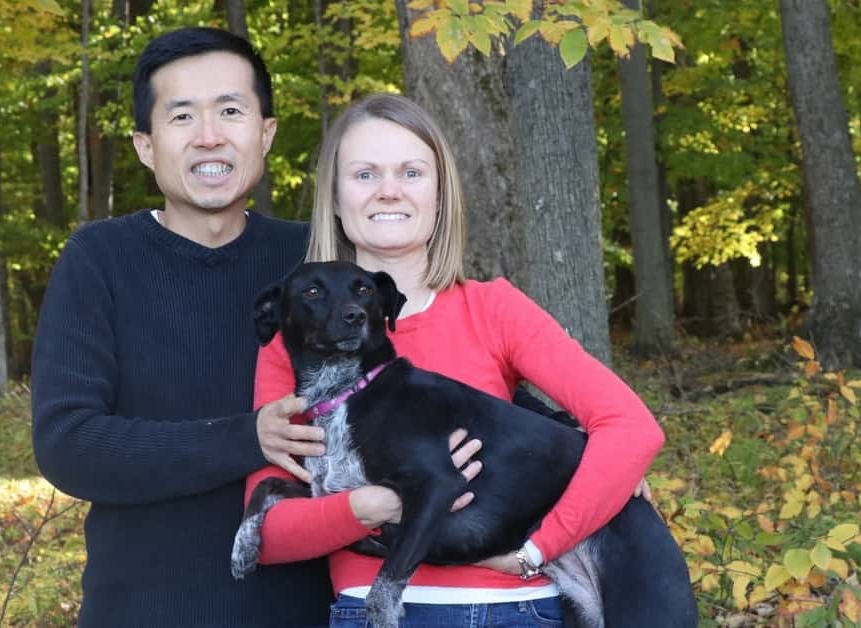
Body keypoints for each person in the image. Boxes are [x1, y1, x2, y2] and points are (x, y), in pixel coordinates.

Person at [245, 93, 671, 626]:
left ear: (441, 193)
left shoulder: (492, 308)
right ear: (333, 196)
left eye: (411, 172)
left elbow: (631, 429)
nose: (389, 191)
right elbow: (271, 536)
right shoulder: (295, 338)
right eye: (364, 174)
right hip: (369, 612)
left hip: (507, 610)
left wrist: (535, 549)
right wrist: (379, 502)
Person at [30, 27, 339, 626]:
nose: (209, 136)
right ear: (146, 145)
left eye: (230, 110)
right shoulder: (100, 259)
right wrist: (247, 438)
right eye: (181, 117)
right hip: (142, 610)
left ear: (265, 132)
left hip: (307, 610)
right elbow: (68, 444)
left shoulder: (316, 259)